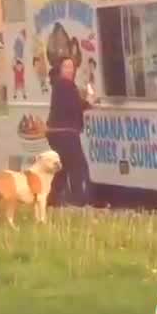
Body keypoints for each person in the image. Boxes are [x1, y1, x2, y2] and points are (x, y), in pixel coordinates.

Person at [45, 55, 96, 206]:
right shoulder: (65, 85)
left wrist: (85, 102)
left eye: (72, 67)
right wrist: (89, 102)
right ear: (60, 69)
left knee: (63, 168)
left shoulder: (58, 85)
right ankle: (78, 201)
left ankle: (51, 200)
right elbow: (75, 105)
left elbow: (73, 104)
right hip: (65, 132)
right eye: (66, 66)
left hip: (55, 132)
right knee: (78, 166)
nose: (70, 70)